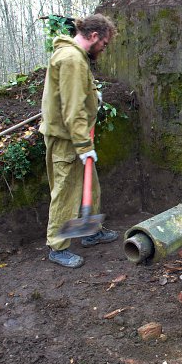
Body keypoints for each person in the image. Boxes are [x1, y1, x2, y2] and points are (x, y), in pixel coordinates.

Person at [40, 14, 119, 268]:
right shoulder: (72, 59)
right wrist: (84, 146)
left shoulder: (74, 57)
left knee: (90, 185)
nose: (104, 49)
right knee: (65, 190)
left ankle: (90, 231)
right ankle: (57, 246)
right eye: (104, 44)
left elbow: (78, 93)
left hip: (77, 135)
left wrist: (94, 94)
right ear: (94, 36)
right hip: (68, 138)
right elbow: (72, 109)